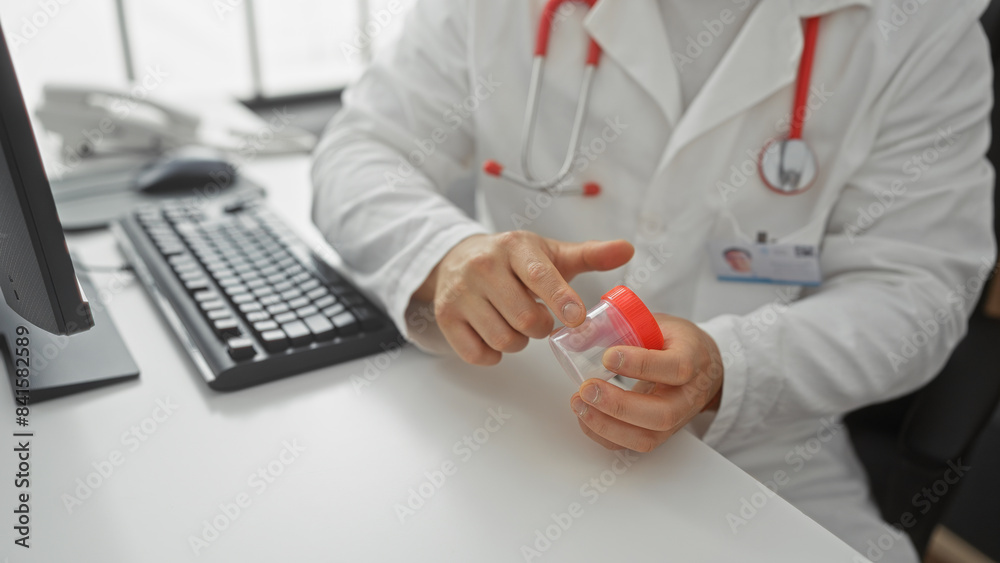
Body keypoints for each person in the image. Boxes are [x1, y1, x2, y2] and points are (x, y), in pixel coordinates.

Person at [312, 1, 995, 560]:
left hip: (762, 454)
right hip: (516, 399)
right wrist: (446, 252)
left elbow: (919, 290)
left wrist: (731, 366)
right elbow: (362, 150)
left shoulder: (919, 22)